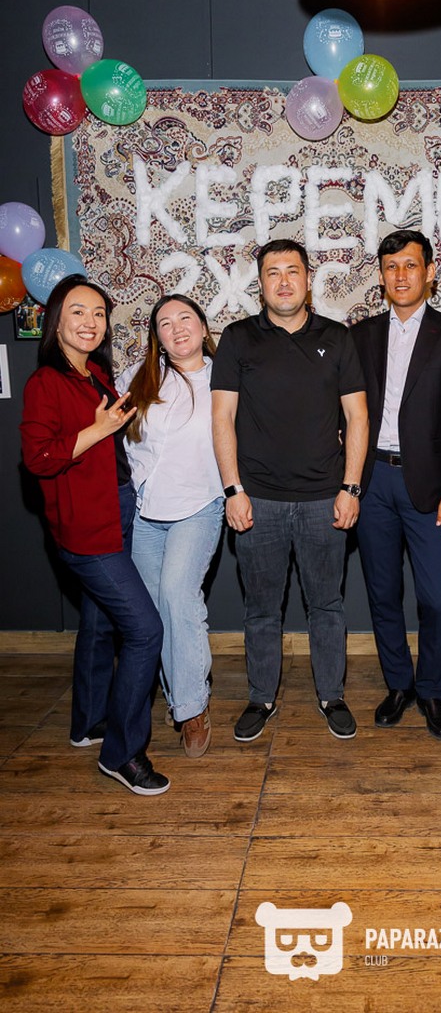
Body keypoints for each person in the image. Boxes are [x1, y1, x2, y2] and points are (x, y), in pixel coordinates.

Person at [211, 238, 369, 741]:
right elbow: (222, 418)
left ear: (308, 279)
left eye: (292, 271)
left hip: (326, 498)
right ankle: (261, 697)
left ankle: (332, 695)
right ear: (260, 284)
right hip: (257, 501)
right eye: (273, 272)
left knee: (327, 605)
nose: (283, 281)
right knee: (261, 610)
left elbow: (358, 417)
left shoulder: (337, 338)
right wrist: (233, 489)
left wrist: (352, 488)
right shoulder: (238, 339)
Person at [20, 275, 168, 796]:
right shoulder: (46, 383)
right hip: (86, 529)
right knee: (146, 631)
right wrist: (100, 429)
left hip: (118, 509)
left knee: (101, 621)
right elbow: (39, 458)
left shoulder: (96, 373)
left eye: (99, 313)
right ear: (56, 321)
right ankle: (122, 753)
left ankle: (87, 722)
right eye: (78, 312)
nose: (90, 322)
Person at [351, 230, 441, 740]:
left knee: (437, 598)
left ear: (429, 272)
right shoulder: (360, 335)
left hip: (431, 486)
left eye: (410, 265)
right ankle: (399, 685)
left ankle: (432, 691)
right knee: (383, 593)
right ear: (381, 275)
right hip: (373, 481)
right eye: (391, 267)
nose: (400, 275)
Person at [117, 295, 223, 759]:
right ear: (156, 337)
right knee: (155, 609)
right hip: (145, 511)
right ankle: (179, 691)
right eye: (165, 323)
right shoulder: (137, 377)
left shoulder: (225, 378)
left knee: (179, 597)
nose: (177, 328)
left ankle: (193, 708)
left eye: (185, 318)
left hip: (200, 505)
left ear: (203, 327)